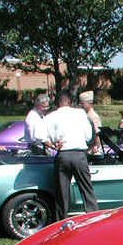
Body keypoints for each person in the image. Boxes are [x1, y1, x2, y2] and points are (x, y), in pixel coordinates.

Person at [42, 91, 98, 220]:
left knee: (62, 191)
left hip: (63, 154)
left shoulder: (51, 116)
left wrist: (54, 143)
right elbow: (88, 135)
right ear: (70, 102)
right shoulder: (80, 114)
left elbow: (45, 135)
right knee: (86, 188)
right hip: (79, 154)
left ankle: (61, 219)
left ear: (58, 103)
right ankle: (93, 216)